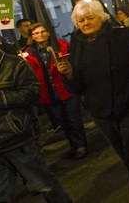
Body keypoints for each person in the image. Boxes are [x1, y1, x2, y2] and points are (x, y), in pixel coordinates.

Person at [59, 0, 129, 203]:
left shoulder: (123, 36)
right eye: (81, 20)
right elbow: (77, 88)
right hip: (102, 113)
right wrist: (68, 75)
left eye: (89, 18)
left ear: (101, 18)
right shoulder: (76, 47)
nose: (85, 23)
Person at [0, 48, 70, 203]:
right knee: (2, 195)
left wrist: (2, 97)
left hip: (18, 138)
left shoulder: (14, 64)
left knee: (44, 184)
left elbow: (32, 93)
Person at [23, 23, 87, 159]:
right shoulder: (28, 54)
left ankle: (81, 145)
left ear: (48, 33)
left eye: (42, 32)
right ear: (32, 37)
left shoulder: (61, 46)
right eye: (36, 33)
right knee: (62, 121)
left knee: (73, 118)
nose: (40, 35)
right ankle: (73, 145)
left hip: (65, 88)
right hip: (49, 92)